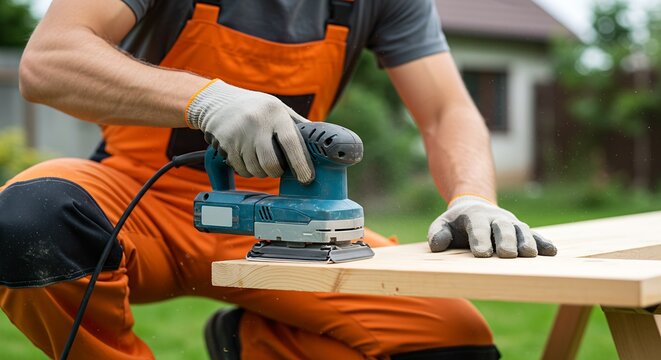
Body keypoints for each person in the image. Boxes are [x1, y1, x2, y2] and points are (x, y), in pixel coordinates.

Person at [0, 0, 557, 359]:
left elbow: (445, 112)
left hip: (293, 228)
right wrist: (204, 100)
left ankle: (250, 346)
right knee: (29, 219)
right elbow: (48, 60)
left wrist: (474, 196)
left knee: (452, 345)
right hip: (139, 201)